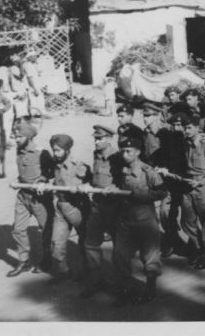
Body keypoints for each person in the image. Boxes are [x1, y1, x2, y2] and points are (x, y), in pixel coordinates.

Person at [112, 136, 166, 305]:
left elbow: (162, 192)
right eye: (122, 151)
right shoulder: (123, 169)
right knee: (120, 255)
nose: (125, 155)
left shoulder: (147, 171)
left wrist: (144, 196)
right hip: (125, 218)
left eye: (129, 151)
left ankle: (150, 288)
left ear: (138, 152)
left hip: (144, 218)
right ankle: (126, 289)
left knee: (150, 256)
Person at [79, 125, 123, 298]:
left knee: (119, 248)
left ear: (110, 138)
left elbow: (124, 181)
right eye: (95, 138)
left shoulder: (118, 157)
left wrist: (114, 187)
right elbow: (95, 178)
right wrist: (87, 184)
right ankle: (96, 280)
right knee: (90, 243)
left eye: (100, 138)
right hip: (97, 205)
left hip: (114, 206)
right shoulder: (96, 154)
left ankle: (120, 285)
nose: (96, 141)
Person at [7, 122, 54, 277]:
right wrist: (17, 181)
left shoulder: (42, 153)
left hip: (39, 198)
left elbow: (52, 172)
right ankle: (24, 260)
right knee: (18, 229)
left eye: (19, 137)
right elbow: (24, 172)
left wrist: (42, 181)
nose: (16, 139)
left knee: (46, 230)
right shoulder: (19, 151)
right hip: (22, 195)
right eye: (15, 136)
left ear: (28, 137)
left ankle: (47, 259)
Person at [178, 114, 205, 269]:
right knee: (187, 221)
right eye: (184, 127)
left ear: (197, 127)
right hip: (188, 185)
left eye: (189, 127)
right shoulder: (185, 143)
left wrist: (201, 181)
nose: (186, 130)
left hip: (204, 187)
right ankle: (196, 247)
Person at [47, 134, 92, 281]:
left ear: (67, 150)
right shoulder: (55, 163)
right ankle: (63, 271)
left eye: (58, 150)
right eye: (54, 150)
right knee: (56, 242)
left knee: (85, 240)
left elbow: (92, 181)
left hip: (77, 207)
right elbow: (51, 177)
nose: (55, 153)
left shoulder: (78, 165)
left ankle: (88, 271)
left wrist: (84, 186)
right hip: (60, 206)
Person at [157, 112, 189, 257]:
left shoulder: (192, 143)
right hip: (171, 185)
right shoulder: (168, 142)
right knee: (164, 212)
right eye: (174, 125)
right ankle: (172, 240)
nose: (176, 129)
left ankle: (196, 244)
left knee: (189, 219)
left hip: (188, 186)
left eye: (179, 125)